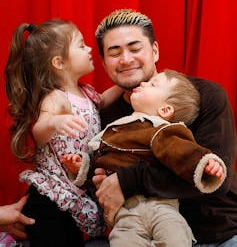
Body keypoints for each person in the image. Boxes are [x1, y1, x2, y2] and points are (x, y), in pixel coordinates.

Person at [92, 9, 237, 246]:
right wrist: (101, 178)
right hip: (138, 232)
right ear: (104, 62)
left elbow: (214, 177)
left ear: (155, 51)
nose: (126, 59)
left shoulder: (204, 95)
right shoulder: (109, 115)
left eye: (135, 48)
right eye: (114, 52)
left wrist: (126, 180)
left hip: (216, 232)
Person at [62, 69, 226, 246]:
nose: (143, 83)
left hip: (161, 207)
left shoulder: (161, 130)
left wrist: (206, 162)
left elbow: (183, 152)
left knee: (175, 238)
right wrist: (82, 167)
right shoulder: (113, 129)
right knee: (122, 241)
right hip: (125, 214)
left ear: (165, 110)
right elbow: (101, 161)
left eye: (153, 84)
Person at [4, 19, 122, 247]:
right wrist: (55, 122)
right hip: (50, 196)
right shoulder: (55, 97)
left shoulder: (86, 92)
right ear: (59, 62)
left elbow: (103, 101)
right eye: (81, 45)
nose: (89, 49)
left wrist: (125, 84)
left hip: (75, 192)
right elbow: (39, 130)